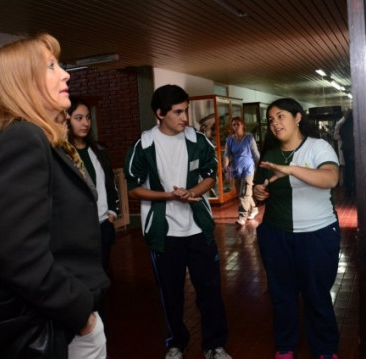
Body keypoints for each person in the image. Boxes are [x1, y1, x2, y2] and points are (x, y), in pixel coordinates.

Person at [0, 33, 109, 358]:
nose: (66, 73)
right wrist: (82, 315)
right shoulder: (24, 138)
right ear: (22, 82)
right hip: (50, 322)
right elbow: (19, 256)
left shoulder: (30, 137)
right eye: (51, 66)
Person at [124, 84, 232, 359]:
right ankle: (175, 343)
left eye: (186, 111)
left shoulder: (197, 140)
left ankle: (214, 345)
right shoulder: (144, 145)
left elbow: (211, 172)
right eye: (178, 112)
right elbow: (133, 187)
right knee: (170, 293)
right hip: (164, 233)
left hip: (198, 230)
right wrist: (168, 196)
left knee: (209, 290)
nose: (185, 118)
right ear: (160, 113)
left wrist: (193, 192)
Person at [253, 98, 341, 359]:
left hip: (317, 234)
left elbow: (331, 178)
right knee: (282, 295)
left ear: (298, 117)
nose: (275, 124)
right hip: (275, 234)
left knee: (317, 295)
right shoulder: (269, 153)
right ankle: (285, 346)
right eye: (271, 120)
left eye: (281, 117)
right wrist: (259, 192)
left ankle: (325, 349)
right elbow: (261, 193)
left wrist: (289, 169)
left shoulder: (318, 147)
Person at [66, 98, 120, 275]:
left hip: (103, 224)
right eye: (79, 118)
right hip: (77, 229)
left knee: (102, 276)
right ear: (67, 119)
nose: (85, 123)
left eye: (88, 118)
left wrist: (112, 212)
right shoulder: (62, 153)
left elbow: (110, 184)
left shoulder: (98, 150)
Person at [222, 116, 260, 226]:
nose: (236, 126)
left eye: (238, 124)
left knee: (244, 193)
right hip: (236, 169)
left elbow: (255, 154)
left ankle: (242, 216)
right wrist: (225, 165)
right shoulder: (229, 140)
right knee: (242, 193)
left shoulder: (249, 138)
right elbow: (227, 154)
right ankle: (253, 209)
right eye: (234, 124)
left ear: (242, 125)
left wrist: (261, 167)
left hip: (248, 168)